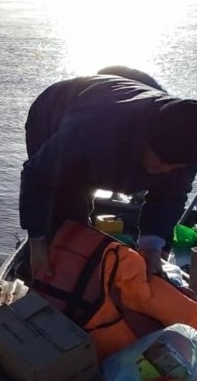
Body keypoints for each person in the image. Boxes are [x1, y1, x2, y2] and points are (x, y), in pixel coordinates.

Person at [20, 69, 197, 280]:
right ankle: (44, 274)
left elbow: (170, 197)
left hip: (116, 99)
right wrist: (37, 241)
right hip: (53, 112)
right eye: (161, 161)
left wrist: (152, 246)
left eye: (175, 166)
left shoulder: (188, 143)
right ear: (144, 140)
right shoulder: (92, 131)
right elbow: (38, 177)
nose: (167, 170)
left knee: (165, 198)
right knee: (67, 207)